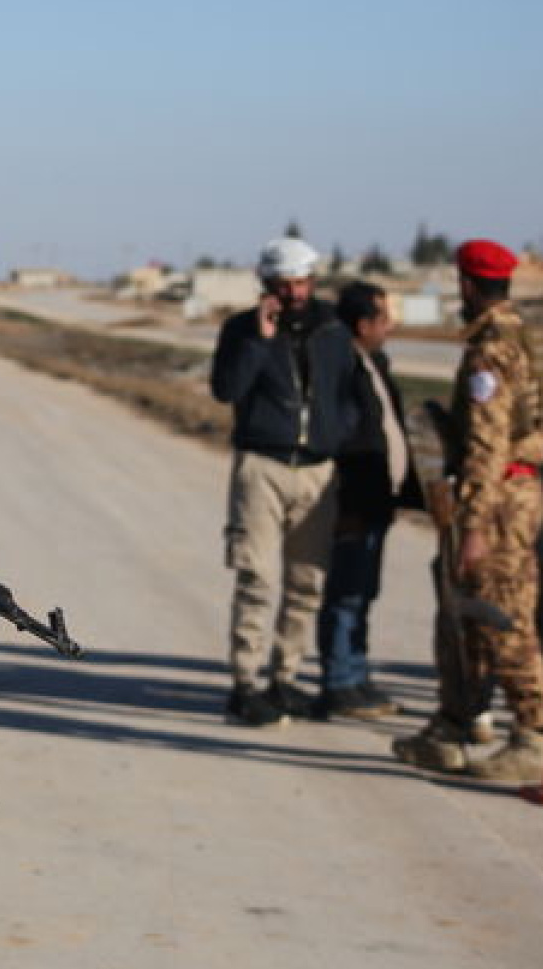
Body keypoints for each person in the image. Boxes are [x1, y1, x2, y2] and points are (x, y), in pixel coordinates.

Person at [393, 240, 543, 784]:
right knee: (465, 617)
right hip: (517, 490)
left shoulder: (491, 351)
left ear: (467, 285)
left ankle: (532, 735)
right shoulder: (530, 340)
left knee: (502, 617)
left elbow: (488, 446)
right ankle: (452, 726)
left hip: (497, 502)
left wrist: (474, 527)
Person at [210, 237, 362, 726]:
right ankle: (246, 682)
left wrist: (338, 434)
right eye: (284, 284)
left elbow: (350, 394)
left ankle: (285, 678)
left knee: (306, 582)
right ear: (267, 284)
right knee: (257, 578)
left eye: (301, 283)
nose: (294, 293)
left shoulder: (334, 331)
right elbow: (226, 389)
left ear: (313, 282)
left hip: (317, 471)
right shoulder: (242, 330)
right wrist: (260, 338)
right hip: (262, 467)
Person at [314, 282, 421, 719]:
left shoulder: (374, 362)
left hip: (379, 497)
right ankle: (339, 681)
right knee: (346, 592)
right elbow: (343, 435)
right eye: (383, 319)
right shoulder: (342, 367)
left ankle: (355, 673)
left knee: (365, 590)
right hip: (355, 498)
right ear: (362, 324)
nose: (389, 326)